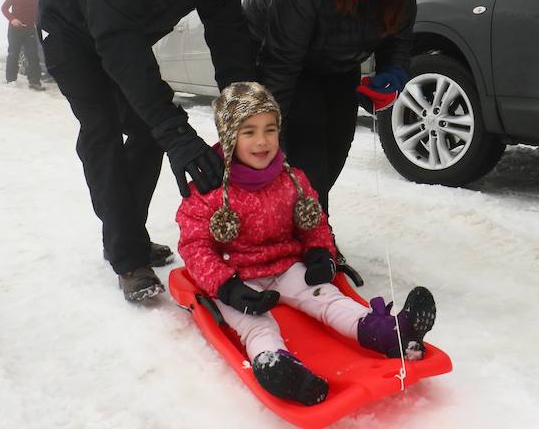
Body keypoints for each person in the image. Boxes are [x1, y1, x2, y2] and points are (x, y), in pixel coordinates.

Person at [38, 0, 260, 302]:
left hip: (127, 36)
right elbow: (117, 44)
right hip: (70, 33)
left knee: (145, 130)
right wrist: (178, 132)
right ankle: (127, 255)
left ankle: (128, 232)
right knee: (102, 128)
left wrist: (246, 120)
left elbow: (230, 39)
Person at [177, 82, 437, 406]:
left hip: (287, 267)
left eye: (270, 129)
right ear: (230, 137)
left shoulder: (292, 179)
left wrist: (319, 253)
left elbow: (313, 223)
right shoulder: (210, 190)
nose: (262, 141)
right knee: (256, 325)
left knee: (329, 299)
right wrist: (226, 287)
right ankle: (277, 367)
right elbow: (195, 246)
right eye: (249, 132)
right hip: (237, 277)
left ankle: (390, 333)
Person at [244, 0, 425, 216]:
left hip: (337, 62)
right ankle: (315, 238)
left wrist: (394, 72)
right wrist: (268, 136)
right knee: (307, 144)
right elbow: (281, 62)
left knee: (337, 145)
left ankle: (305, 220)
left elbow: (399, 36)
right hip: (280, 54)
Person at [1, 0, 44, 90]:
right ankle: (11, 80)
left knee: (33, 56)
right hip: (15, 29)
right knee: (13, 54)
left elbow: (40, 10)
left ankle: (34, 82)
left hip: (29, 29)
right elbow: (4, 8)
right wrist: (12, 19)